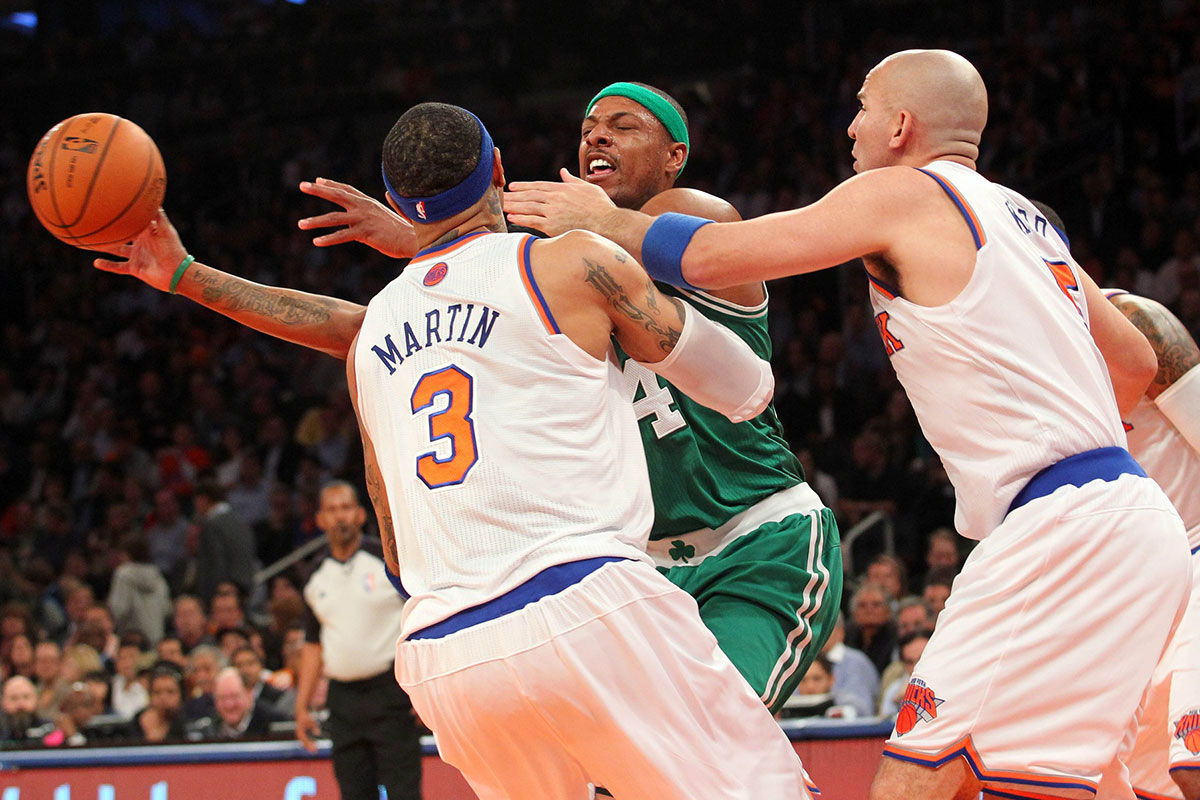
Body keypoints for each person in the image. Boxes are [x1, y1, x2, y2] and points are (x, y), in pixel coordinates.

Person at [504, 49, 1192, 800]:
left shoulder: (905, 192)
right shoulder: (1023, 216)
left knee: (915, 779)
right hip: (1136, 519)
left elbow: (713, 254)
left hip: (1056, 522)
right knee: (1042, 782)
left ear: (901, 125)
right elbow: (1130, 362)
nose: (850, 127)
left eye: (863, 108)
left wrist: (603, 224)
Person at [100, 102, 812, 797]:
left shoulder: (373, 335)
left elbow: (394, 538)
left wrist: (186, 275)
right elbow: (747, 390)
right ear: (501, 168)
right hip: (582, 599)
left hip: (446, 652)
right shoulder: (570, 263)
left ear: (396, 202)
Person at [1036, 200, 1200, 800]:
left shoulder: (1136, 320)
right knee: (1110, 778)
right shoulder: (1023, 363)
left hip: (1193, 552)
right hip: (1118, 586)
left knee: (1192, 764)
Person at [293, 481, 420, 800]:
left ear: (362, 514)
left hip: (390, 692)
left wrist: (424, 688)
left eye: (346, 508)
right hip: (342, 700)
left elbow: (421, 619)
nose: (340, 517)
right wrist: (302, 705)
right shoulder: (314, 574)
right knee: (352, 793)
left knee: (403, 792)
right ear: (320, 520)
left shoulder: (387, 560)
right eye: (332, 510)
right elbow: (312, 645)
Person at [198, 666, 282, 740]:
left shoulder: (275, 722)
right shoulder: (207, 729)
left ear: (249, 694)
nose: (229, 704)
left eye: (234, 696)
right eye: (222, 698)